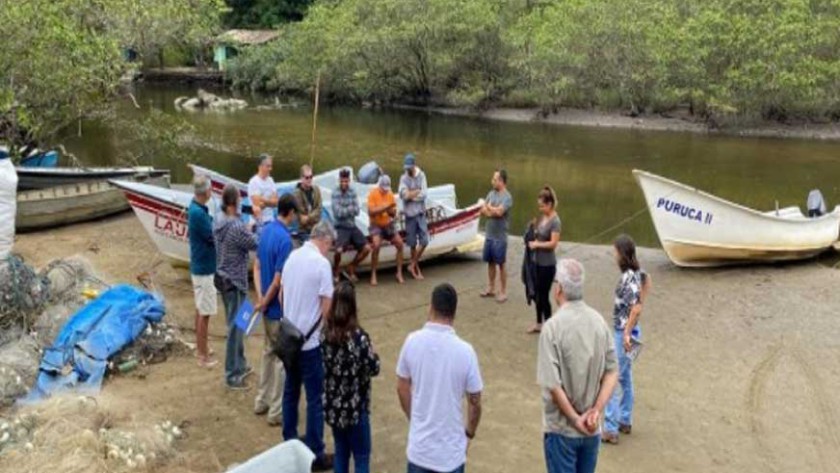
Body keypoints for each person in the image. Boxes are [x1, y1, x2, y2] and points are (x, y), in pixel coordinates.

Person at [538, 259, 619, 473]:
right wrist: (596, 411)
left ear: (559, 289)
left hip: (562, 430)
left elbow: (553, 385)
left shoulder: (552, 328)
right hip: (591, 430)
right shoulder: (598, 322)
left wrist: (575, 419)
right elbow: (612, 371)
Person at [397, 283, 483, 473]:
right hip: (450, 455)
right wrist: (469, 433)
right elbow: (475, 401)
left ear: (431, 307)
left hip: (420, 451)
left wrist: (415, 417)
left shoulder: (412, 341)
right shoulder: (465, 352)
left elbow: (402, 386)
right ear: (454, 312)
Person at [281, 221, 337, 471]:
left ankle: (289, 440)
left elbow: (282, 295)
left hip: (289, 337)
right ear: (324, 240)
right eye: (330, 245)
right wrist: (326, 332)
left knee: (291, 391)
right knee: (315, 397)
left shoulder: (292, 256)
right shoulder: (321, 264)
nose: (329, 250)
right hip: (310, 342)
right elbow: (327, 306)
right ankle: (316, 450)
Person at [322, 281, 381, 473]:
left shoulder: (326, 334)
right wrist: (375, 354)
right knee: (361, 457)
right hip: (355, 409)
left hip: (334, 407)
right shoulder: (358, 338)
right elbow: (373, 368)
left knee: (341, 453)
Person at [253, 194, 297, 426]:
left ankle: (261, 400)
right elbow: (278, 280)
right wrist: (266, 300)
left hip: (265, 306)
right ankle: (275, 411)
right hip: (277, 309)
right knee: (281, 360)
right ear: (290, 213)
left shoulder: (267, 230)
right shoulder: (285, 240)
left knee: (267, 353)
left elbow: (257, 266)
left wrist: (259, 297)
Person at [214, 184, 259, 390]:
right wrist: (255, 223)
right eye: (239, 201)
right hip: (236, 282)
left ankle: (239, 364)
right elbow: (255, 243)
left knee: (240, 323)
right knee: (236, 327)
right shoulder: (236, 226)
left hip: (224, 279)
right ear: (234, 204)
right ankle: (232, 374)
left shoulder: (219, 220)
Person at [603, 234, 646, 444]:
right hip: (635, 332)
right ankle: (625, 419)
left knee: (612, 377)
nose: (614, 256)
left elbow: (636, 308)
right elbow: (643, 295)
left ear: (622, 253)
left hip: (625, 333)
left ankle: (610, 428)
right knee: (626, 377)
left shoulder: (628, 277)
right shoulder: (638, 273)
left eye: (615, 252)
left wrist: (627, 332)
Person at [187, 175, 217, 368]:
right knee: (204, 312)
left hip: (199, 265)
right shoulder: (198, 213)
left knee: (200, 309)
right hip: (204, 268)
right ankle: (202, 355)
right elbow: (212, 236)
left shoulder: (195, 209)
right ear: (206, 191)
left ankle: (202, 347)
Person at [527, 186, 561, 333]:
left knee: (544, 295)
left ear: (550, 204)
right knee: (537, 294)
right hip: (537, 262)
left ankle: (549, 325)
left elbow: (553, 244)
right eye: (539, 205)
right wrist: (533, 230)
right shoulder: (543, 217)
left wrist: (536, 244)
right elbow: (540, 235)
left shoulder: (555, 221)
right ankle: (539, 323)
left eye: (542, 205)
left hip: (548, 265)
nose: (540, 208)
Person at [479, 169, 513, 303]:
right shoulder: (490, 194)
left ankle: (503, 291)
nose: (492, 181)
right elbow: (483, 210)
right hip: (489, 234)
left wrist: (490, 208)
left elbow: (500, 212)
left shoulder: (507, 197)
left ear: (501, 181)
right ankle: (491, 288)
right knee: (490, 262)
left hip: (500, 236)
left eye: (495, 179)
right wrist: (492, 209)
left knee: (501, 264)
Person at [332, 168, 371, 282]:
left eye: (346, 181)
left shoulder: (352, 192)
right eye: (342, 181)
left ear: (349, 180)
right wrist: (350, 209)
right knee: (338, 250)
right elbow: (337, 212)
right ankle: (336, 270)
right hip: (341, 227)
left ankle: (352, 266)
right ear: (339, 180)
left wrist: (346, 209)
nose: (344, 183)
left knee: (367, 248)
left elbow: (357, 210)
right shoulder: (335, 193)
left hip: (352, 226)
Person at [367, 174, 404, 286]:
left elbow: (393, 212)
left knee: (400, 244)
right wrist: (385, 207)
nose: (385, 191)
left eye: (386, 189)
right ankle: (373, 274)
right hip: (375, 225)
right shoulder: (373, 194)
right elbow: (371, 212)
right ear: (379, 186)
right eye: (383, 189)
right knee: (376, 245)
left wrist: (391, 212)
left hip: (387, 223)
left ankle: (399, 272)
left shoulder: (390, 195)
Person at [399, 153, 429, 280]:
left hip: (420, 213)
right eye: (406, 168)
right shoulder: (403, 178)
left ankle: (412, 264)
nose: (407, 170)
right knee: (412, 243)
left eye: (409, 168)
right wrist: (415, 192)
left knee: (424, 241)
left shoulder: (421, 175)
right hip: (409, 215)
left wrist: (411, 195)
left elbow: (424, 194)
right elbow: (403, 195)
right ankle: (415, 268)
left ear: (414, 165)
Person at [292, 164, 323, 242]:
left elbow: (319, 209)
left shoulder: (316, 190)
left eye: (311, 177)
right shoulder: (297, 194)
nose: (309, 179)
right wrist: (313, 215)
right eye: (307, 177)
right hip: (304, 231)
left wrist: (308, 217)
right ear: (301, 178)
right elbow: (301, 219)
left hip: (317, 227)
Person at [248, 153, 279, 226]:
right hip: (258, 221)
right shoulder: (253, 182)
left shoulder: (271, 180)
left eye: (271, 166)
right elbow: (257, 206)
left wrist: (262, 199)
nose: (270, 169)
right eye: (268, 166)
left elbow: (276, 202)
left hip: (270, 219)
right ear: (260, 166)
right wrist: (270, 201)